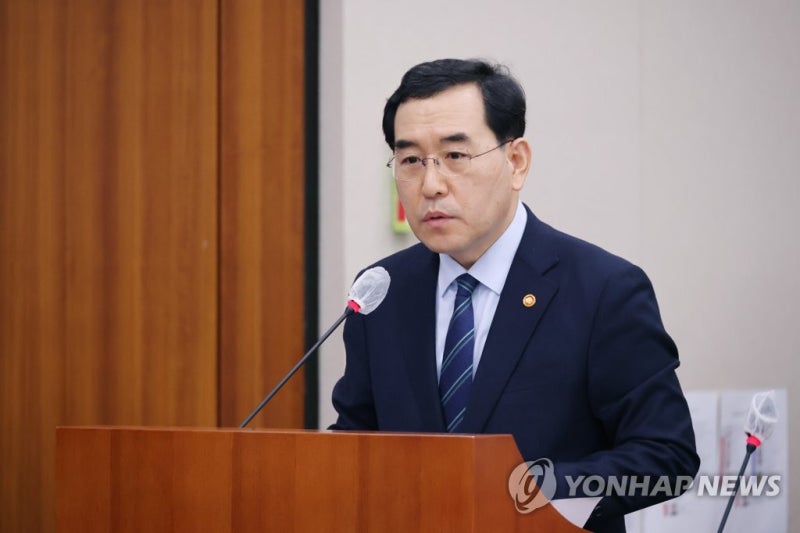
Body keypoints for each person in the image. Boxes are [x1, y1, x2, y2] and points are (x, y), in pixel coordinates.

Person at [330, 58, 699, 533]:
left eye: (455, 156)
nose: (431, 185)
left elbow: (667, 457)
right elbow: (355, 443)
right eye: (411, 161)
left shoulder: (603, 289)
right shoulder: (382, 291)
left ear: (516, 161)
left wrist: (535, 491)